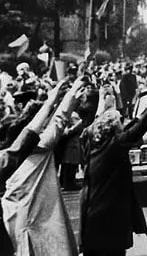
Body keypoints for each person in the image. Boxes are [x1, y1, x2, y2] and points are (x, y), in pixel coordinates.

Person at [79, 86, 147, 256]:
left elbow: (127, 124)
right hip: (111, 216)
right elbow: (141, 126)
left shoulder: (91, 143)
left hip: (91, 214)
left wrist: (103, 102)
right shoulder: (117, 144)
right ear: (115, 127)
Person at [2, 78, 86, 256]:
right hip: (37, 222)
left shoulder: (6, 158)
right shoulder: (39, 150)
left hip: (11, 221)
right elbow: (59, 120)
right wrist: (68, 96)